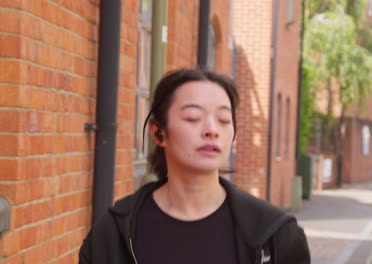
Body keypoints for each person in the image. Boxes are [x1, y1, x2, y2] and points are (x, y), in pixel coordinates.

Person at [79, 69, 310, 264]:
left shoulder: (276, 236)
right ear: (159, 133)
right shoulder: (113, 235)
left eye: (223, 120)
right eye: (192, 117)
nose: (212, 130)